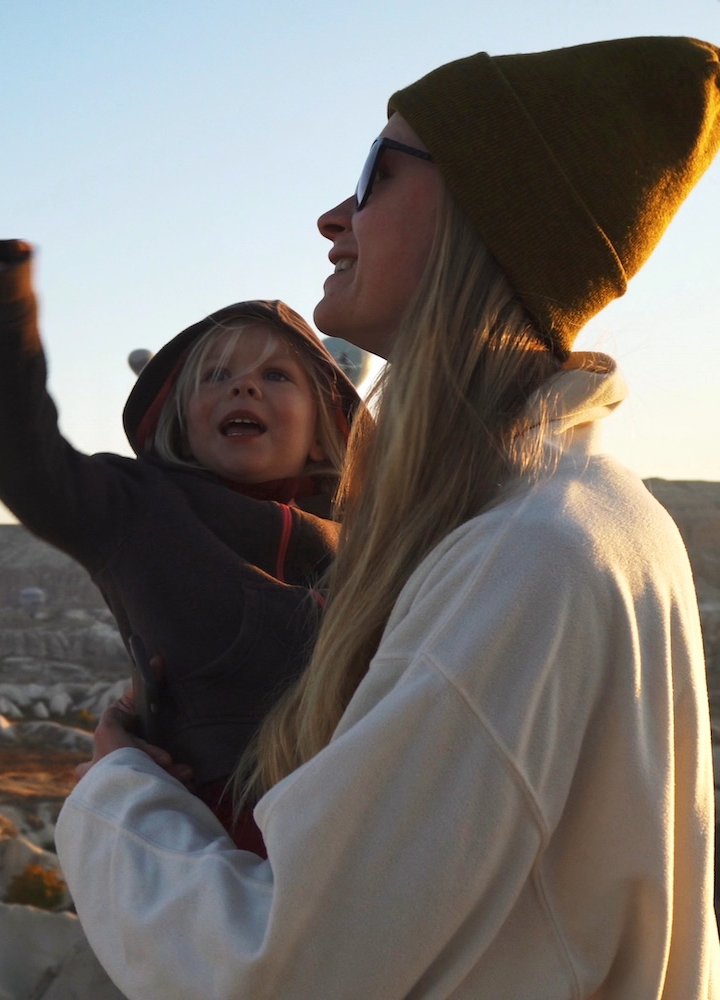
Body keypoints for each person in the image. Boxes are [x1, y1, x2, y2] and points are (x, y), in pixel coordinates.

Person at [54, 36, 720, 998]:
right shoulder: (586, 516)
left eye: (375, 175)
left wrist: (118, 791)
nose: (332, 219)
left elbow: (277, 968)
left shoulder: (523, 561)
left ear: (489, 212)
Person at [0, 243, 360, 853]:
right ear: (181, 420)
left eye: (275, 375)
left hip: (365, 812)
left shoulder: (369, 539)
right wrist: (1, 307)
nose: (243, 387)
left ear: (323, 429)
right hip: (221, 826)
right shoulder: (141, 508)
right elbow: (26, 465)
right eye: (215, 376)